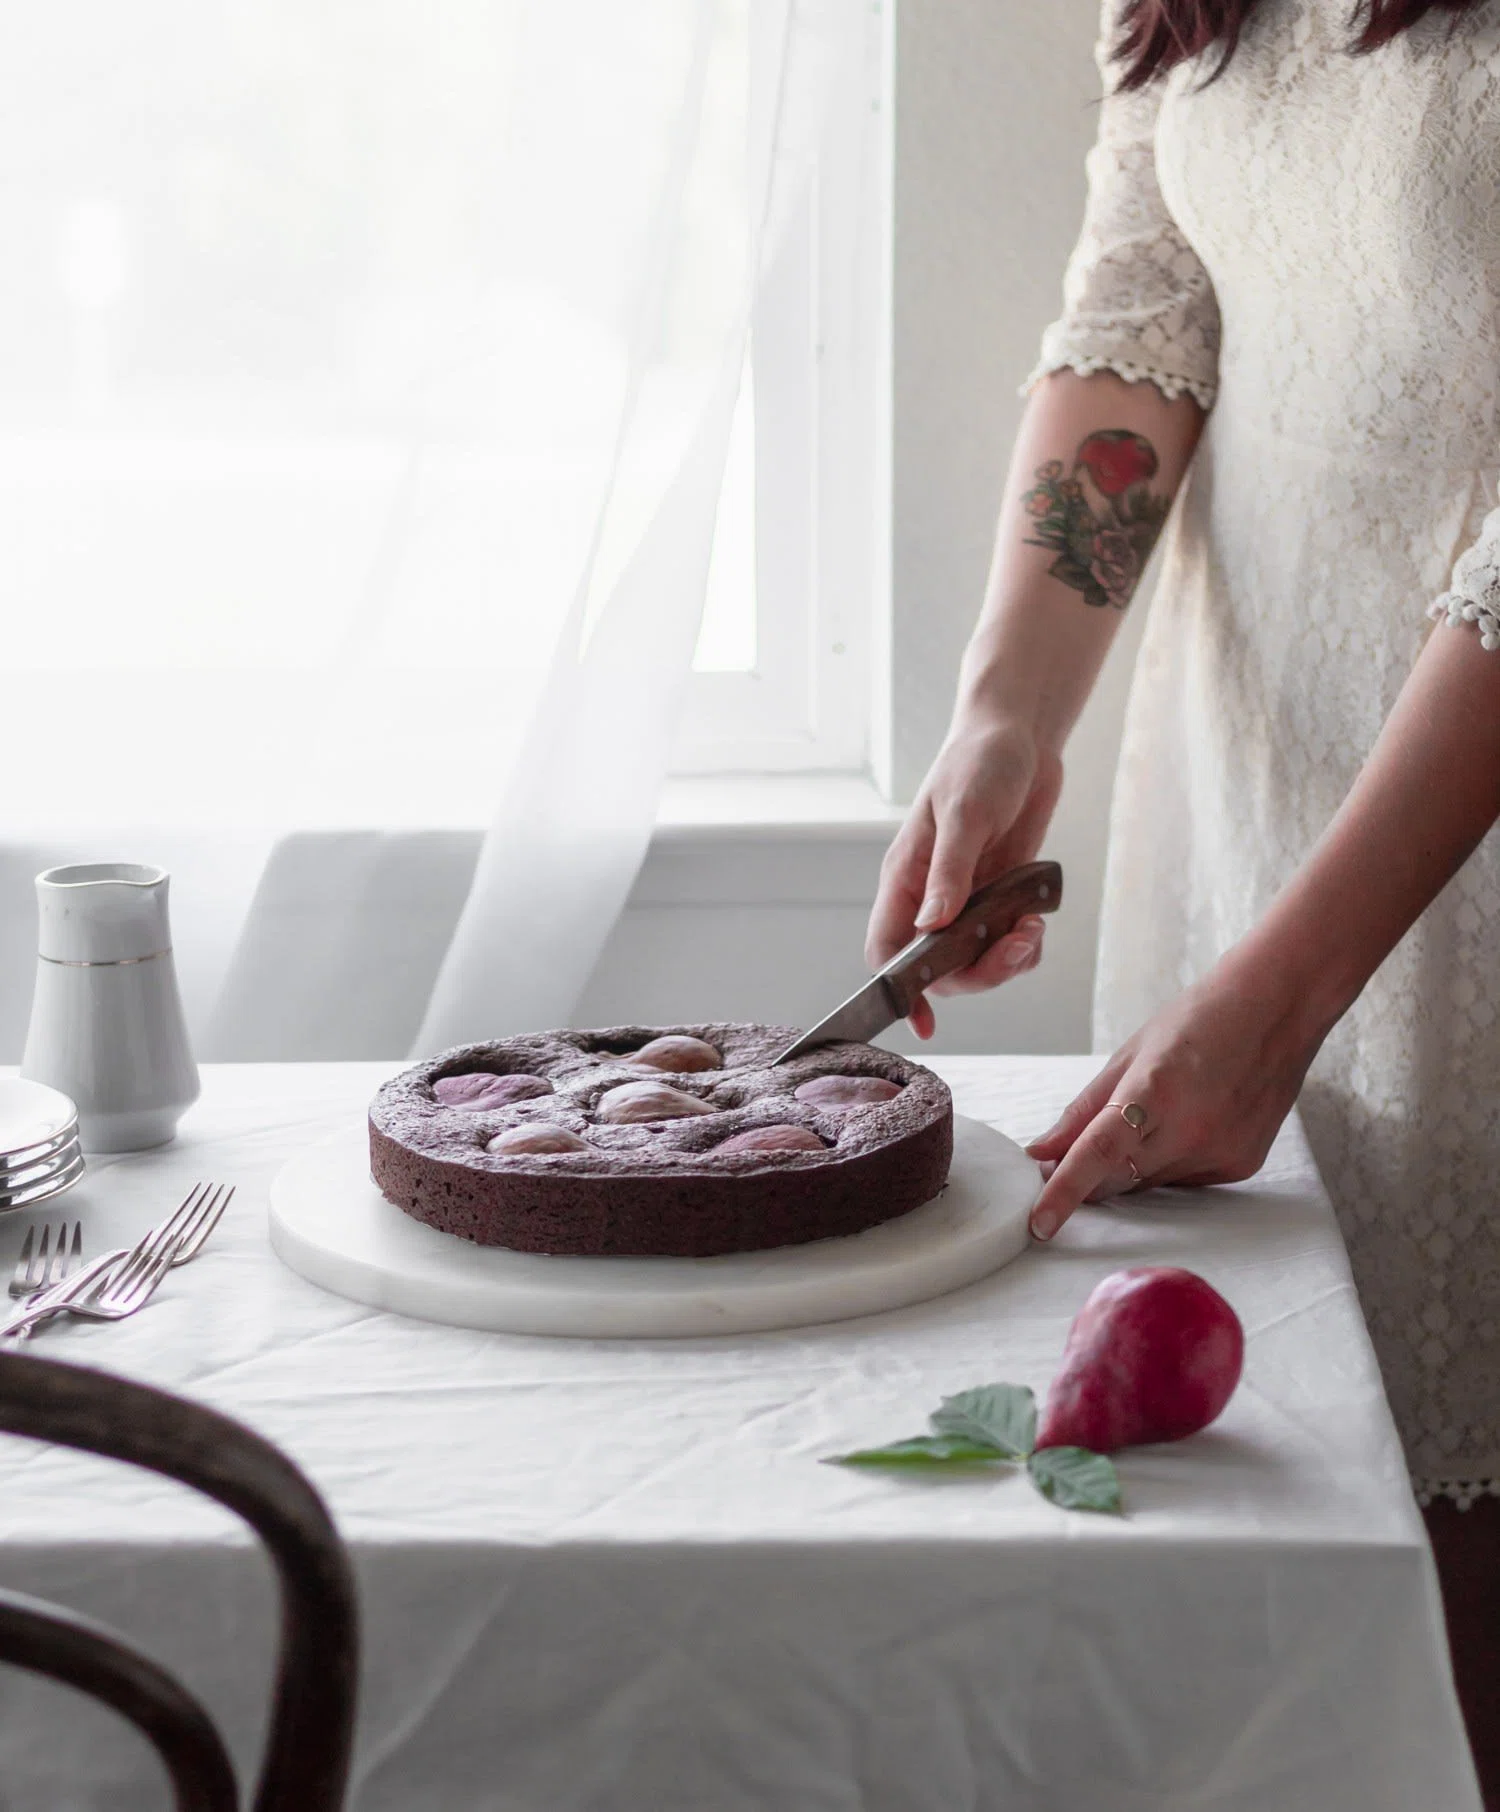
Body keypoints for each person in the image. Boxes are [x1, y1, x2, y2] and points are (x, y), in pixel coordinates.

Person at [865, 0, 1500, 1797]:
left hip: (1453, 877)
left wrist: (1285, 1000)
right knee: (1241, 1591)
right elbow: (1144, 315)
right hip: (1240, 805)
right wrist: (1007, 718)